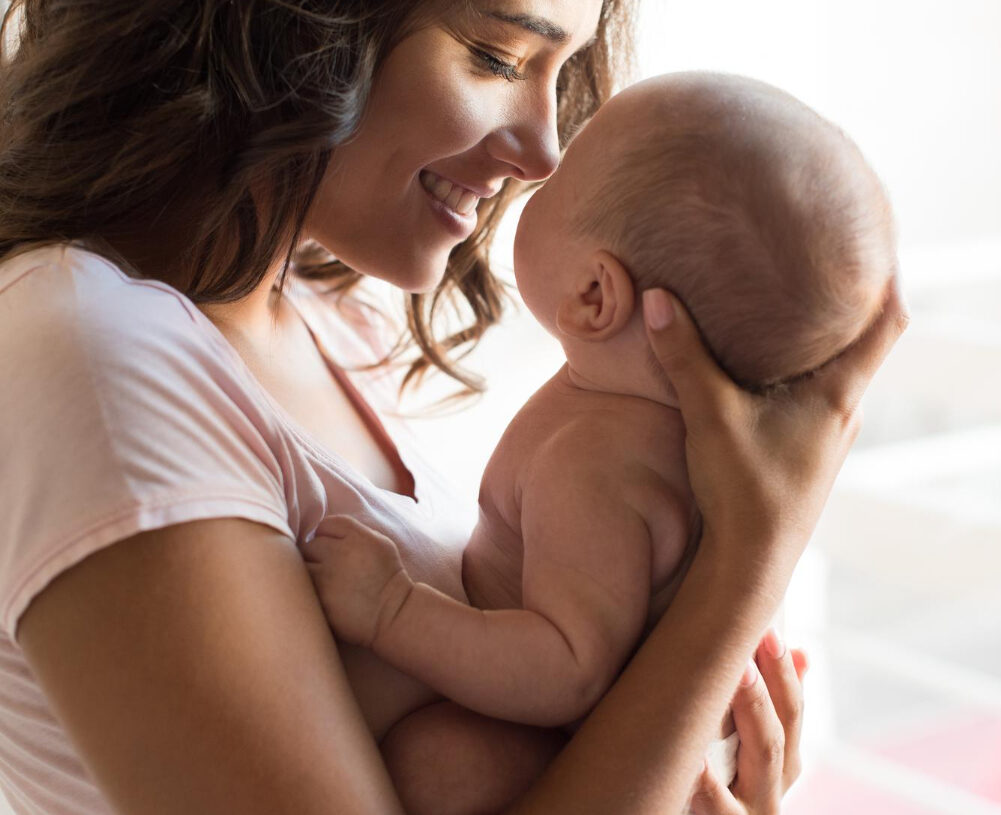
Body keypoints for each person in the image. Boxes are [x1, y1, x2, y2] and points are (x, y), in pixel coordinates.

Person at [0, 3, 907, 815]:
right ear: (304, 25)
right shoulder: (91, 352)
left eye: (563, 73)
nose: (549, 151)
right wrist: (747, 568)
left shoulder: (333, 315)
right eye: (496, 57)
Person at [302, 71, 898, 814]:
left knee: (441, 767)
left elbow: (565, 667)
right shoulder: (660, 438)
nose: (540, 165)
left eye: (560, 183)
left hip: (597, 755)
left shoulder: (599, 462)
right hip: (640, 753)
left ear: (593, 296)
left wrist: (391, 607)